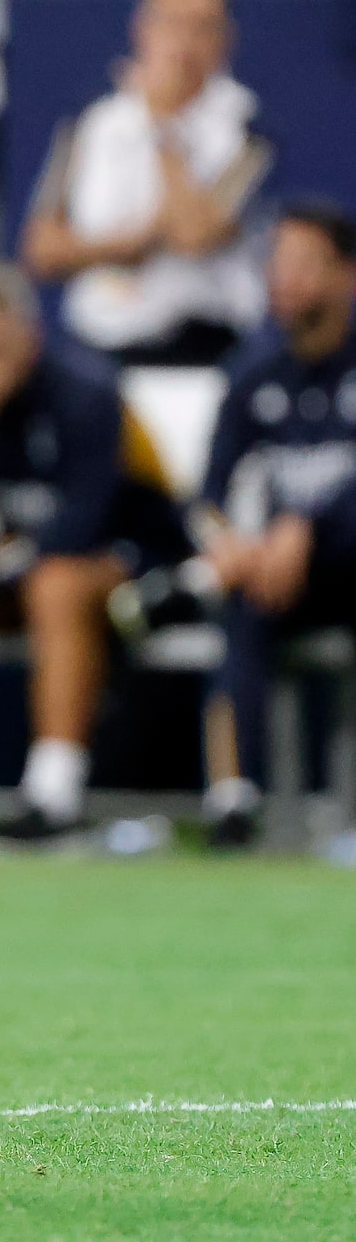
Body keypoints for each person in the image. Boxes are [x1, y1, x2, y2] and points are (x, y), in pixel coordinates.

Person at [0, 257, 183, 844]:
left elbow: (85, 525)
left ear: (30, 338)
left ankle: (54, 794)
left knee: (58, 584)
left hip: (134, 570)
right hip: (18, 568)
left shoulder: (90, 392)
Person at [194, 203, 356, 848]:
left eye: (304, 264)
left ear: (346, 275)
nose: (285, 278)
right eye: (277, 262)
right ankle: (233, 802)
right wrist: (228, 546)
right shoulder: (252, 377)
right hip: (276, 579)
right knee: (236, 602)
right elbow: (208, 494)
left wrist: (310, 527)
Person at [21, 0, 269, 366]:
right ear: (142, 28)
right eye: (172, 24)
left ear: (226, 39)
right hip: (95, 349)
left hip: (203, 351)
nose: (185, 43)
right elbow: (41, 250)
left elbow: (194, 235)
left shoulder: (248, 127)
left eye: (203, 27)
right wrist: (131, 245)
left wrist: (162, 126)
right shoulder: (92, 121)